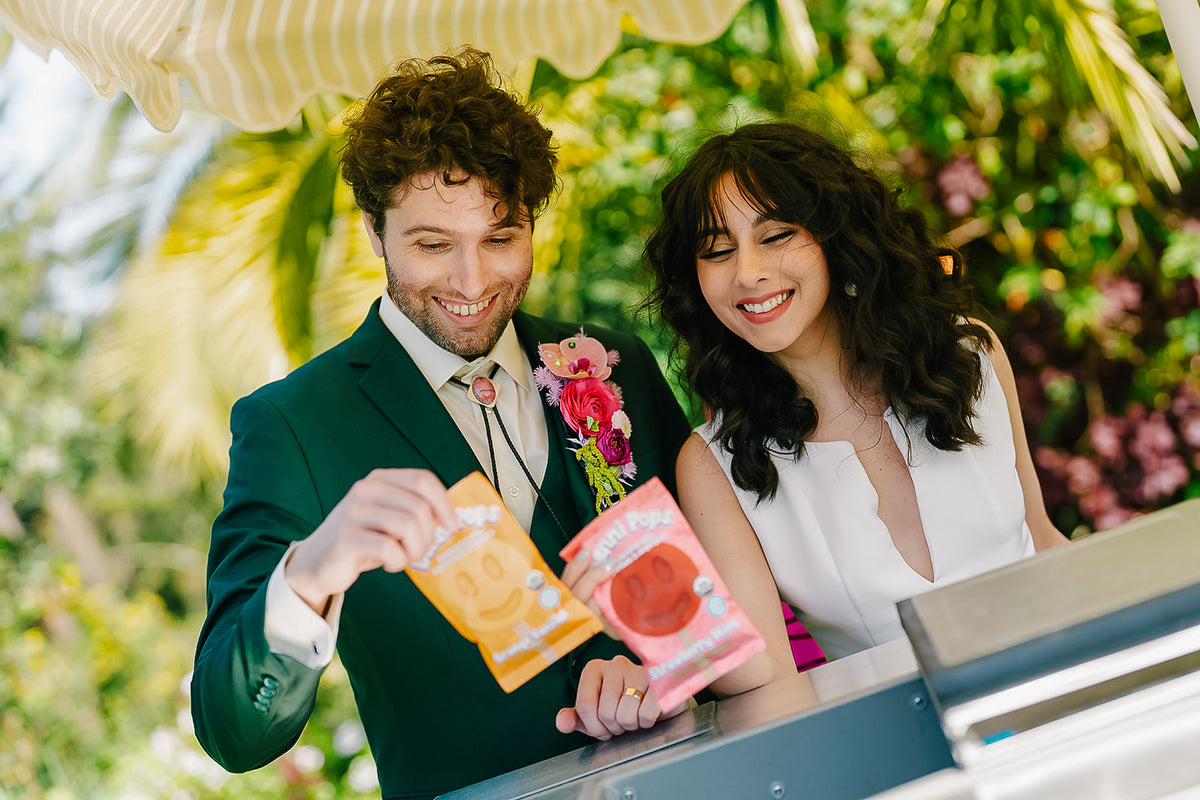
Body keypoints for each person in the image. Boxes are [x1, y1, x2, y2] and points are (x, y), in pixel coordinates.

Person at [190, 48, 692, 799]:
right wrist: (312, 571)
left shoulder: (614, 366)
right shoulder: (291, 426)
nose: (472, 282)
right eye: (432, 245)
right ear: (374, 231)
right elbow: (233, 731)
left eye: (501, 238)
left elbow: (722, 593)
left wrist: (661, 662)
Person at [642, 122, 1069, 683]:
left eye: (775, 236)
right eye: (717, 250)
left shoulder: (970, 354)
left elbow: (1042, 540)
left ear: (836, 234)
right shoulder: (715, 464)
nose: (748, 272)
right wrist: (650, 608)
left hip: (1071, 694)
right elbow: (762, 683)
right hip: (906, 750)